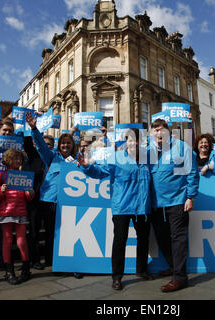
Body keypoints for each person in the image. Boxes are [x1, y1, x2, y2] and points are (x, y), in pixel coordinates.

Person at [77, 128, 153, 290]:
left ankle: (142, 270)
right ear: (127, 141)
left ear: (141, 142)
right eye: (130, 140)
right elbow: (100, 172)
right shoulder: (116, 157)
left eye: (136, 140)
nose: (133, 143)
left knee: (143, 239)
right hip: (122, 207)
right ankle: (117, 277)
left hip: (142, 207)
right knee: (120, 241)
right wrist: (86, 166)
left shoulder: (149, 158)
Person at [25, 112, 82, 279]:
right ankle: (44, 262)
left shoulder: (77, 160)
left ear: (73, 145)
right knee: (44, 233)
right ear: (59, 146)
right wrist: (34, 128)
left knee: (59, 235)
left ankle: (57, 262)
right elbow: (41, 146)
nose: (65, 145)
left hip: (66, 204)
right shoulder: (52, 157)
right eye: (63, 143)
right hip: (47, 201)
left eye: (68, 143)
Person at [148, 119, 199, 292]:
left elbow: (191, 172)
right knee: (162, 238)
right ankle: (172, 266)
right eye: (154, 131)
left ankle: (180, 277)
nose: (158, 133)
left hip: (177, 201)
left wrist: (190, 196)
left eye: (161, 130)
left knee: (178, 240)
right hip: (156, 204)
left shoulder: (182, 147)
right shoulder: (149, 150)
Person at [0, 148, 34, 284]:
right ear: (8, 160)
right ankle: (9, 271)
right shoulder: (1, 175)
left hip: (20, 212)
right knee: (6, 241)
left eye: (19, 159)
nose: (17, 161)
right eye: (15, 158)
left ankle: (26, 269)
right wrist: (1, 190)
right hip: (6, 212)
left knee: (21, 242)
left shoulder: (24, 175)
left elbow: (29, 197)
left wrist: (30, 192)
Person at [24, 134, 54, 271]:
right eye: (43, 143)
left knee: (50, 232)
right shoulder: (34, 156)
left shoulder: (54, 159)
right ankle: (34, 260)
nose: (45, 146)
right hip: (35, 200)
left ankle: (50, 258)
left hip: (49, 201)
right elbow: (27, 143)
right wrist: (29, 128)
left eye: (48, 145)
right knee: (34, 232)